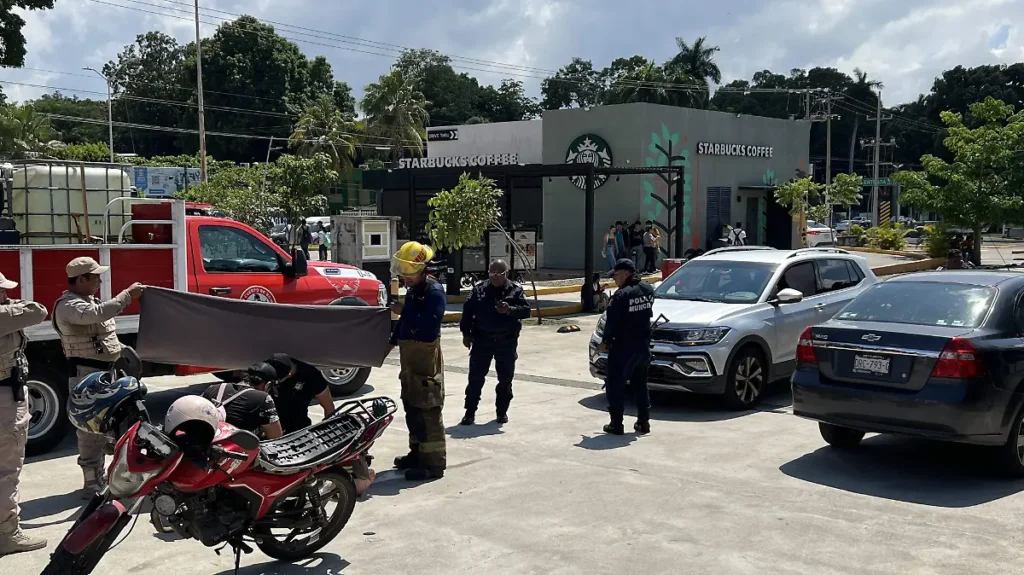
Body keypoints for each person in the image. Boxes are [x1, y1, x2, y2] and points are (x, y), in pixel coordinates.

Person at [52, 256, 144, 496]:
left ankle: (108, 476)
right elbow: (97, 314)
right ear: (81, 279)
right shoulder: (69, 305)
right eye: (95, 277)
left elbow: (102, 335)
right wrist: (127, 295)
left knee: (111, 426)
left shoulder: (88, 301)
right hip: (86, 375)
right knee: (90, 430)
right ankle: (92, 482)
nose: (99, 281)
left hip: (106, 373)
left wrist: (122, 350)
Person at [389, 241, 447, 481]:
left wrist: (405, 311)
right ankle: (417, 454)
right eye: (403, 270)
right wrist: (391, 341)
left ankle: (433, 465)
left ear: (423, 268)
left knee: (427, 407)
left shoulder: (434, 291)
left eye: (409, 271)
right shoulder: (414, 290)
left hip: (424, 356)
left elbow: (428, 324)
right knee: (412, 404)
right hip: (409, 356)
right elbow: (405, 324)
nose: (405, 276)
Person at [0, 272, 48, 556]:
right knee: (7, 470)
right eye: (3, 292)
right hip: (5, 399)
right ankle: (7, 533)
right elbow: (37, 310)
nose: (7, 295)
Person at [459, 259, 530, 426]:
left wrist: (509, 310)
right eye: (492, 273)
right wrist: (466, 334)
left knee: (505, 379)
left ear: (507, 273)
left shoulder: (515, 290)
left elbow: (527, 311)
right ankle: (469, 413)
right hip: (482, 340)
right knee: (475, 378)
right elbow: (467, 313)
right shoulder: (479, 290)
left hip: (506, 341)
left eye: (499, 273)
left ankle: (501, 412)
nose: (495, 276)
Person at [598, 259, 654, 436]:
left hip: (623, 346)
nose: (614, 278)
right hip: (643, 346)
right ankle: (643, 422)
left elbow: (611, 323)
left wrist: (604, 342)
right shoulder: (648, 290)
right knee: (640, 384)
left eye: (616, 274)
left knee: (615, 384)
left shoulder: (621, 296)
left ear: (625, 274)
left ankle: (616, 424)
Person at [202, 362, 283, 440]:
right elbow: (275, 437)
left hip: (205, 440)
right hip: (233, 448)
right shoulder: (263, 398)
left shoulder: (213, 388)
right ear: (268, 385)